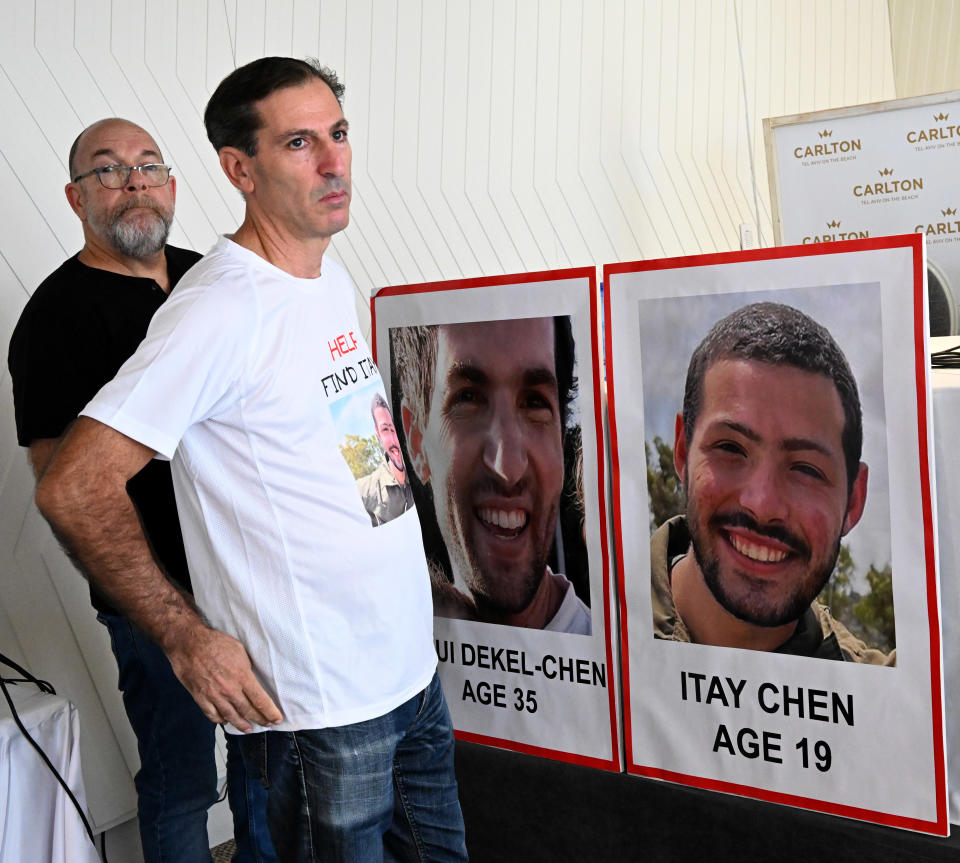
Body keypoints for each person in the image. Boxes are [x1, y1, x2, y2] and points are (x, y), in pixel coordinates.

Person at [34, 58, 466, 862]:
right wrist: (186, 636)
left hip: (404, 676)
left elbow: (361, 461)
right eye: (300, 143)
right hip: (316, 706)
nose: (335, 162)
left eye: (338, 134)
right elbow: (74, 484)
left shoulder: (323, 275)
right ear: (239, 169)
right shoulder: (218, 307)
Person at [7, 117, 275, 862]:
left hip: (251, 578)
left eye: (149, 166)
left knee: (267, 766)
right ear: (75, 197)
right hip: (159, 602)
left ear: (173, 186)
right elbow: (64, 488)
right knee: (183, 778)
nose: (134, 182)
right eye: (108, 169)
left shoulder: (212, 280)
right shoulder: (53, 319)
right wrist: (156, 613)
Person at [652, 301, 894, 663]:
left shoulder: (894, 704)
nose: (762, 505)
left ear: (854, 501)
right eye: (730, 447)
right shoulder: (586, 630)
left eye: (807, 469)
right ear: (684, 453)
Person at [393, 316, 591, 634]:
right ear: (416, 440)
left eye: (534, 403)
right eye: (468, 398)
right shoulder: (389, 646)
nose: (507, 468)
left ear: (562, 442)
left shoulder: (617, 669)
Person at [357, 393, 414, 525]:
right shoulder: (366, 492)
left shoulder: (422, 472)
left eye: (394, 428)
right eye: (385, 429)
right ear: (378, 433)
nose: (394, 439)